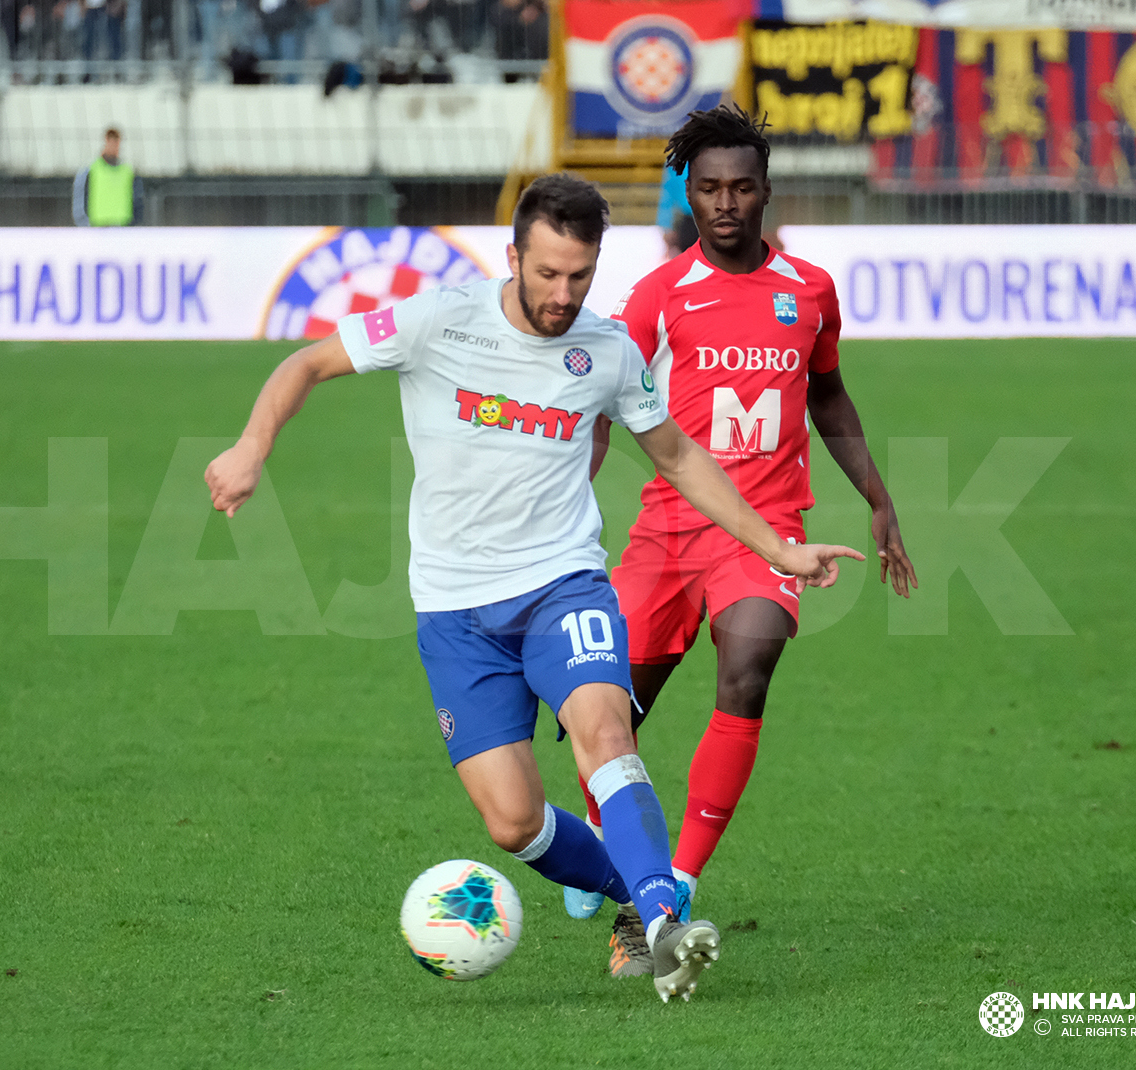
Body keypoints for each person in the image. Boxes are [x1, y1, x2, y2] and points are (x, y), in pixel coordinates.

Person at [203, 174, 865, 1001]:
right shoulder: (438, 319)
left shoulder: (608, 351)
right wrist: (250, 447)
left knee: (606, 734)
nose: (562, 295)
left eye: (579, 275)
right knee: (513, 820)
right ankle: (630, 894)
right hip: (454, 610)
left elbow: (681, 457)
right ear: (513, 256)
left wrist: (778, 548)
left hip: (563, 585)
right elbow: (307, 362)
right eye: (548, 273)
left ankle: (663, 924)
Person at [566, 106, 918, 924]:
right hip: (669, 530)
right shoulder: (657, 297)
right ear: (688, 193)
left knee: (749, 665)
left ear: (766, 192)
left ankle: (680, 878)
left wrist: (879, 498)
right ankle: (595, 829)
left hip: (769, 529)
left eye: (742, 187)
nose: (725, 203)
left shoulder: (809, 292)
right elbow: (603, 410)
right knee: (613, 709)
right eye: (709, 188)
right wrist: (569, 501)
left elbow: (827, 393)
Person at [72, 128, 144, 226]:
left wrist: (134, 224)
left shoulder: (127, 171)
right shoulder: (92, 169)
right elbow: (81, 197)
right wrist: (84, 223)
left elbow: (136, 199)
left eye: (116, 142)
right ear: (105, 142)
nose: (113, 146)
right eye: (111, 142)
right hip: (98, 225)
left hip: (122, 225)